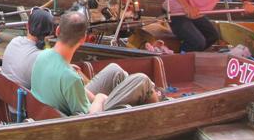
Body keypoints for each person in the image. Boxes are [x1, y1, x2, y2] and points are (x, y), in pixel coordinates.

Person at [31, 10, 160, 115]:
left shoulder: (42, 56)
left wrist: (94, 96)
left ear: (57, 30)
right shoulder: (70, 78)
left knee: (115, 70)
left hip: (58, 107)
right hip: (83, 120)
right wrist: (99, 98)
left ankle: (138, 97)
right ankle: (157, 112)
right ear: (83, 39)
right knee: (143, 81)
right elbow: (89, 119)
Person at [1, 7, 55, 89]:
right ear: (50, 32)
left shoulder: (15, 40)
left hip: (3, 89)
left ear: (27, 26)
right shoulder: (44, 56)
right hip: (22, 95)